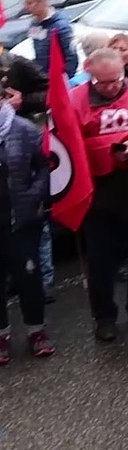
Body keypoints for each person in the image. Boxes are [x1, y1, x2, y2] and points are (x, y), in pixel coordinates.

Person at [72, 48, 128, 342]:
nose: (110, 87)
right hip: (98, 192)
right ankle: (104, 317)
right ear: (89, 74)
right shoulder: (75, 100)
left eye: (115, 81)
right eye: (103, 83)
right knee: (100, 261)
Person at [0, 84, 53, 363]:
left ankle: (36, 330)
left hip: (20, 220)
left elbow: (45, 166)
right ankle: (1, 335)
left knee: (28, 278)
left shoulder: (24, 129)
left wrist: (34, 196)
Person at [21, 0, 76, 79]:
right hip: (43, 76)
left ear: (42, 2)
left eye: (29, 3)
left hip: (58, 77)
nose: (26, 7)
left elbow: (71, 56)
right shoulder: (34, 23)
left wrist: (66, 78)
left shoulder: (61, 26)